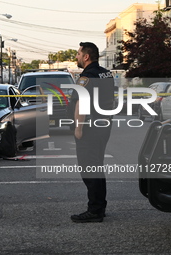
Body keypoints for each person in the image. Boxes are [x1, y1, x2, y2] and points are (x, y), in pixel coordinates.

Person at [70, 42, 114, 223]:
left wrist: (78, 128)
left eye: (79, 54)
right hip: (104, 126)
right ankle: (99, 207)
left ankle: (95, 210)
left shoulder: (87, 77)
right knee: (97, 166)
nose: (77, 57)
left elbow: (82, 103)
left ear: (86, 56)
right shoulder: (106, 73)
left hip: (90, 128)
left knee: (89, 167)